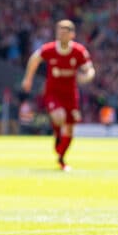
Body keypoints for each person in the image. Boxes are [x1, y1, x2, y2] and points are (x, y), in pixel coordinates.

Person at [21, 19, 95, 170]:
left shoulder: (79, 51)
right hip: (53, 93)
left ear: (72, 34)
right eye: (59, 31)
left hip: (70, 94)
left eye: (65, 31)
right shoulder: (49, 49)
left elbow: (90, 69)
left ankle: (61, 158)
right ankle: (57, 134)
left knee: (70, 129)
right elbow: (34, 59)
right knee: (59, 116)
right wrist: (28, 78)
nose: (62, 34)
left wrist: (86, 76)